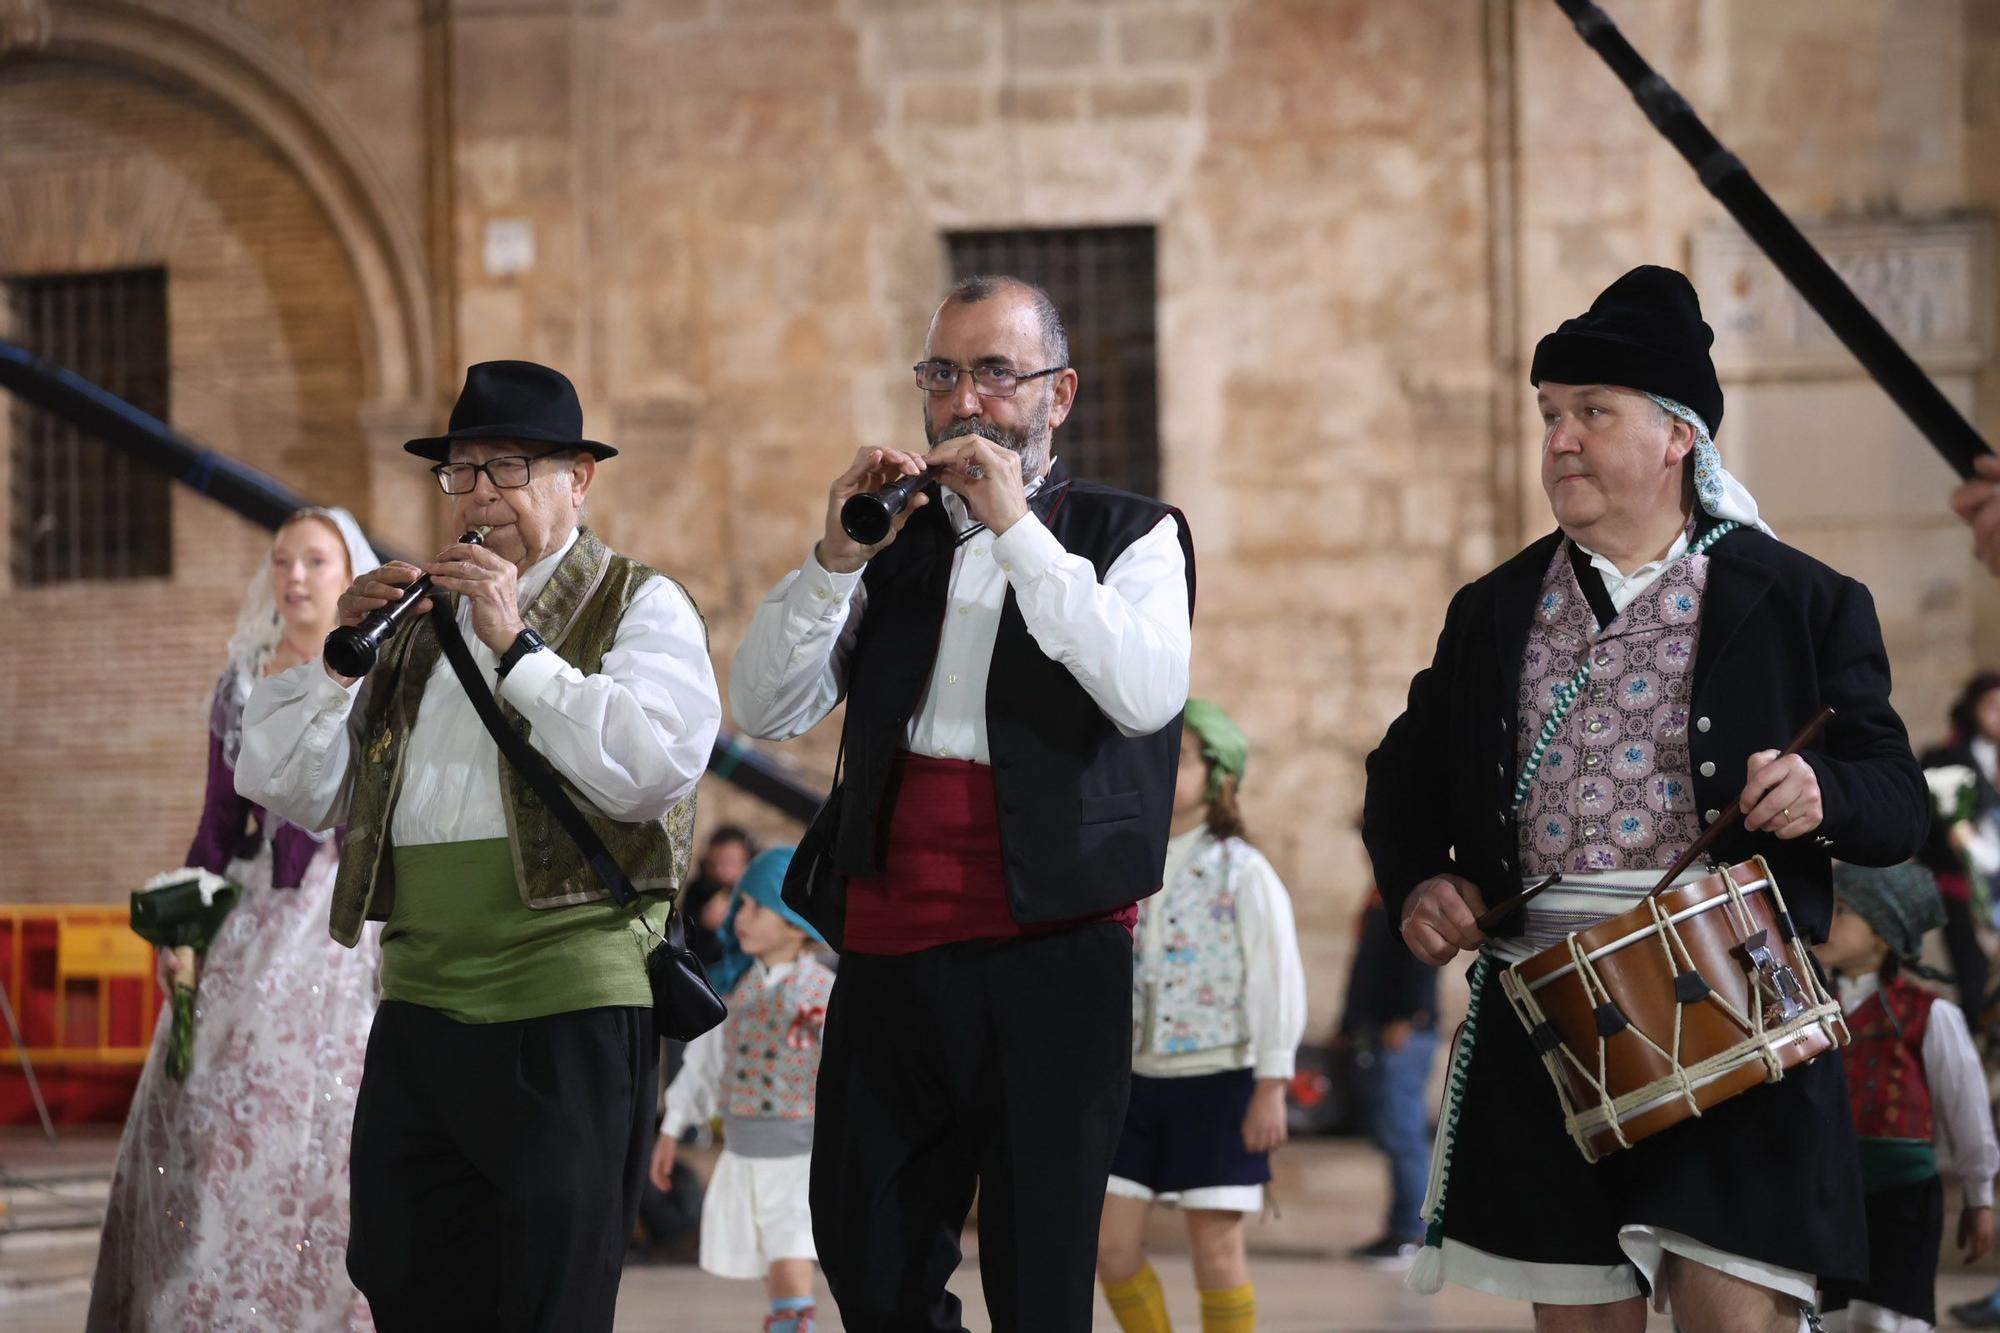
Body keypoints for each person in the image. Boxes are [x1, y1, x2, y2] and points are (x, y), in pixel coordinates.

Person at [1363, 266, 1930, 1331]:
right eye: (1548, 415)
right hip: (1545, 1003)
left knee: (1728, 1315)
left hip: (1732, 999)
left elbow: (1895, 799)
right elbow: (1401, 775)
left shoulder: (1801, 600)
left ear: (1679, 437)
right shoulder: (1491, 610)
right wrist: (1418, 880)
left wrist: (1820, 793)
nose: (1559, 440)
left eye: (1590, 412)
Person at [730, 275, 1194, 1331]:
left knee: (1037, 1282)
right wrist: (833, 560)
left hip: (1052, 956)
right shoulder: (890, 544)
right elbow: (761, 705)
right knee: (866, 1250)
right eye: (942, 373)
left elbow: (1144, 690)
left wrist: (1020, 532)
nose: (965, 400)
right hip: (890, 950)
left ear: (1057, 394)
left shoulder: (1132, 535)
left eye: (995, 371)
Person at [235, 360, 723, 1333]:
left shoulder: (638, 602)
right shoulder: (412, 626)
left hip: (569, 1004)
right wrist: (336, 655)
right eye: (461, 473)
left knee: (549, 1295)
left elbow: (653, 766)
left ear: (577, 477)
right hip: (420, 1005)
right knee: (403, 1270)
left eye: (507, 468)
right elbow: (290, 785)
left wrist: (518, 648)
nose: (480, 495)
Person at [89, 508, 382, 1332]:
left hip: (357, 922)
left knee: (347, 1132)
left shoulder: (388, 672)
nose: (295, 577)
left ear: (350, 571)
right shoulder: (245, 678)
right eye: (283, 560)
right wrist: (183, 926)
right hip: (261, 923)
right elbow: (218, 826)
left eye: (316, 561)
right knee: (222, 1118)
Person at [1096, 699, 1306, 1333]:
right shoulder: (1124, 860)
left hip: (1220, 1083)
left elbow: (1278, 980)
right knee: (1110, 1248)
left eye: (1179, 757)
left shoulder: (1243, 871)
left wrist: (1272, 1085)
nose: (1163, 768)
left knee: (1215, 1250)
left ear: (1221, 777)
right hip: (1130, 1081)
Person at [651, 846, 830, 1333]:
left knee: (789, 1244)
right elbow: (703, 1067)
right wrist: (672, 1128)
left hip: (801, 1155)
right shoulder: (732, 992)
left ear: (795, 921)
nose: (739, 917)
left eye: (754, 906)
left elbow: (849, 1075)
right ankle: (785, 1319)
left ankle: (794, 1325)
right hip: (746, 1148)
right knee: (770, 1252)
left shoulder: (825, 994)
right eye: (740, 905)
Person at [1815, 861, 1997, 1333]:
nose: (1825, 922)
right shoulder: (1811, 1017)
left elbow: (1968, 1113)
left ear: (1883, 930)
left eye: (1842, 910)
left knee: (1892, 1320)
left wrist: (1979, 1198)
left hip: (1903, 1202)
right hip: (1830, 1197)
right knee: (1832, 1317)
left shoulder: (1929, 1015)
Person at [1338, 883, 1440, 1268]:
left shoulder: (1411, 887)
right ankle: (1399, 1227)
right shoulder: (1377, 896)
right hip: (1376, 1030)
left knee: (1404, 1132)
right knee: (1390, 1131)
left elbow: (1426, 956)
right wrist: (1348, 1025)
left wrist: (1410, 1018)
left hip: (1404, 1034)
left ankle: (1413, 1233)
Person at [1917, 672, 2000, 1024]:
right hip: (1965, 891)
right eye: (1992, 707)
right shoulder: (1943, 758)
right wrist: (1954, 838)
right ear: (1972, 709)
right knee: (1975, 983)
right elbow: (1922, 829)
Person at [683, 824, 758, 966]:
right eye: (713, 864)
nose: (720, 872)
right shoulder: (698, 890)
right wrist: (704, 925)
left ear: (747, 861)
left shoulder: (756, 898)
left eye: (730, 863)